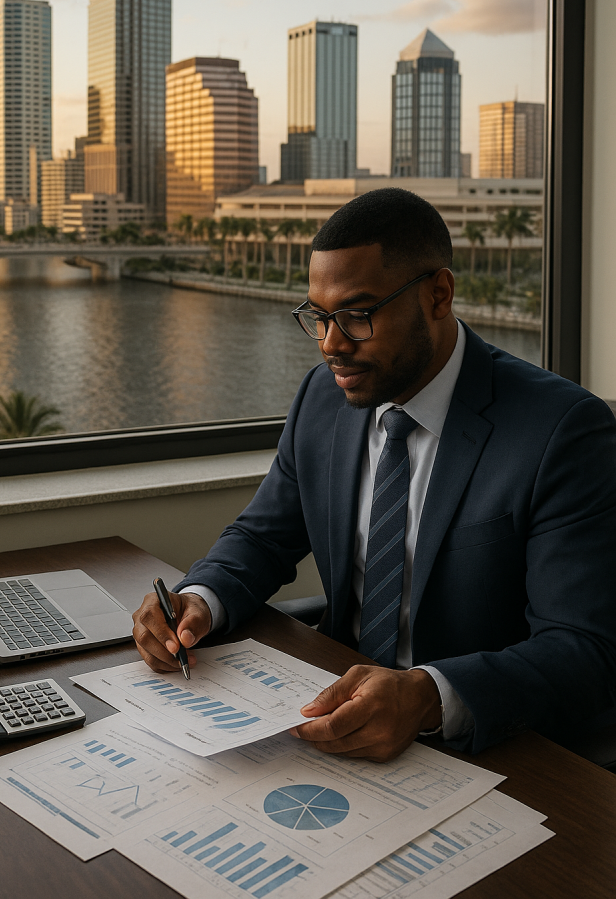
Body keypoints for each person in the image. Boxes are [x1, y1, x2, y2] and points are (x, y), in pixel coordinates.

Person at [133, 187, 616, 760]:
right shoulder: (323, 396)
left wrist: (430, 696)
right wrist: (198, 600)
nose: (331, 345)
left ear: (439, 295)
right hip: (334, 721)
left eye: (358, 315)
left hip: (493, 748)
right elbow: (263, 536)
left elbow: (586, 647)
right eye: (319, 316)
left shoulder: (562, 431)